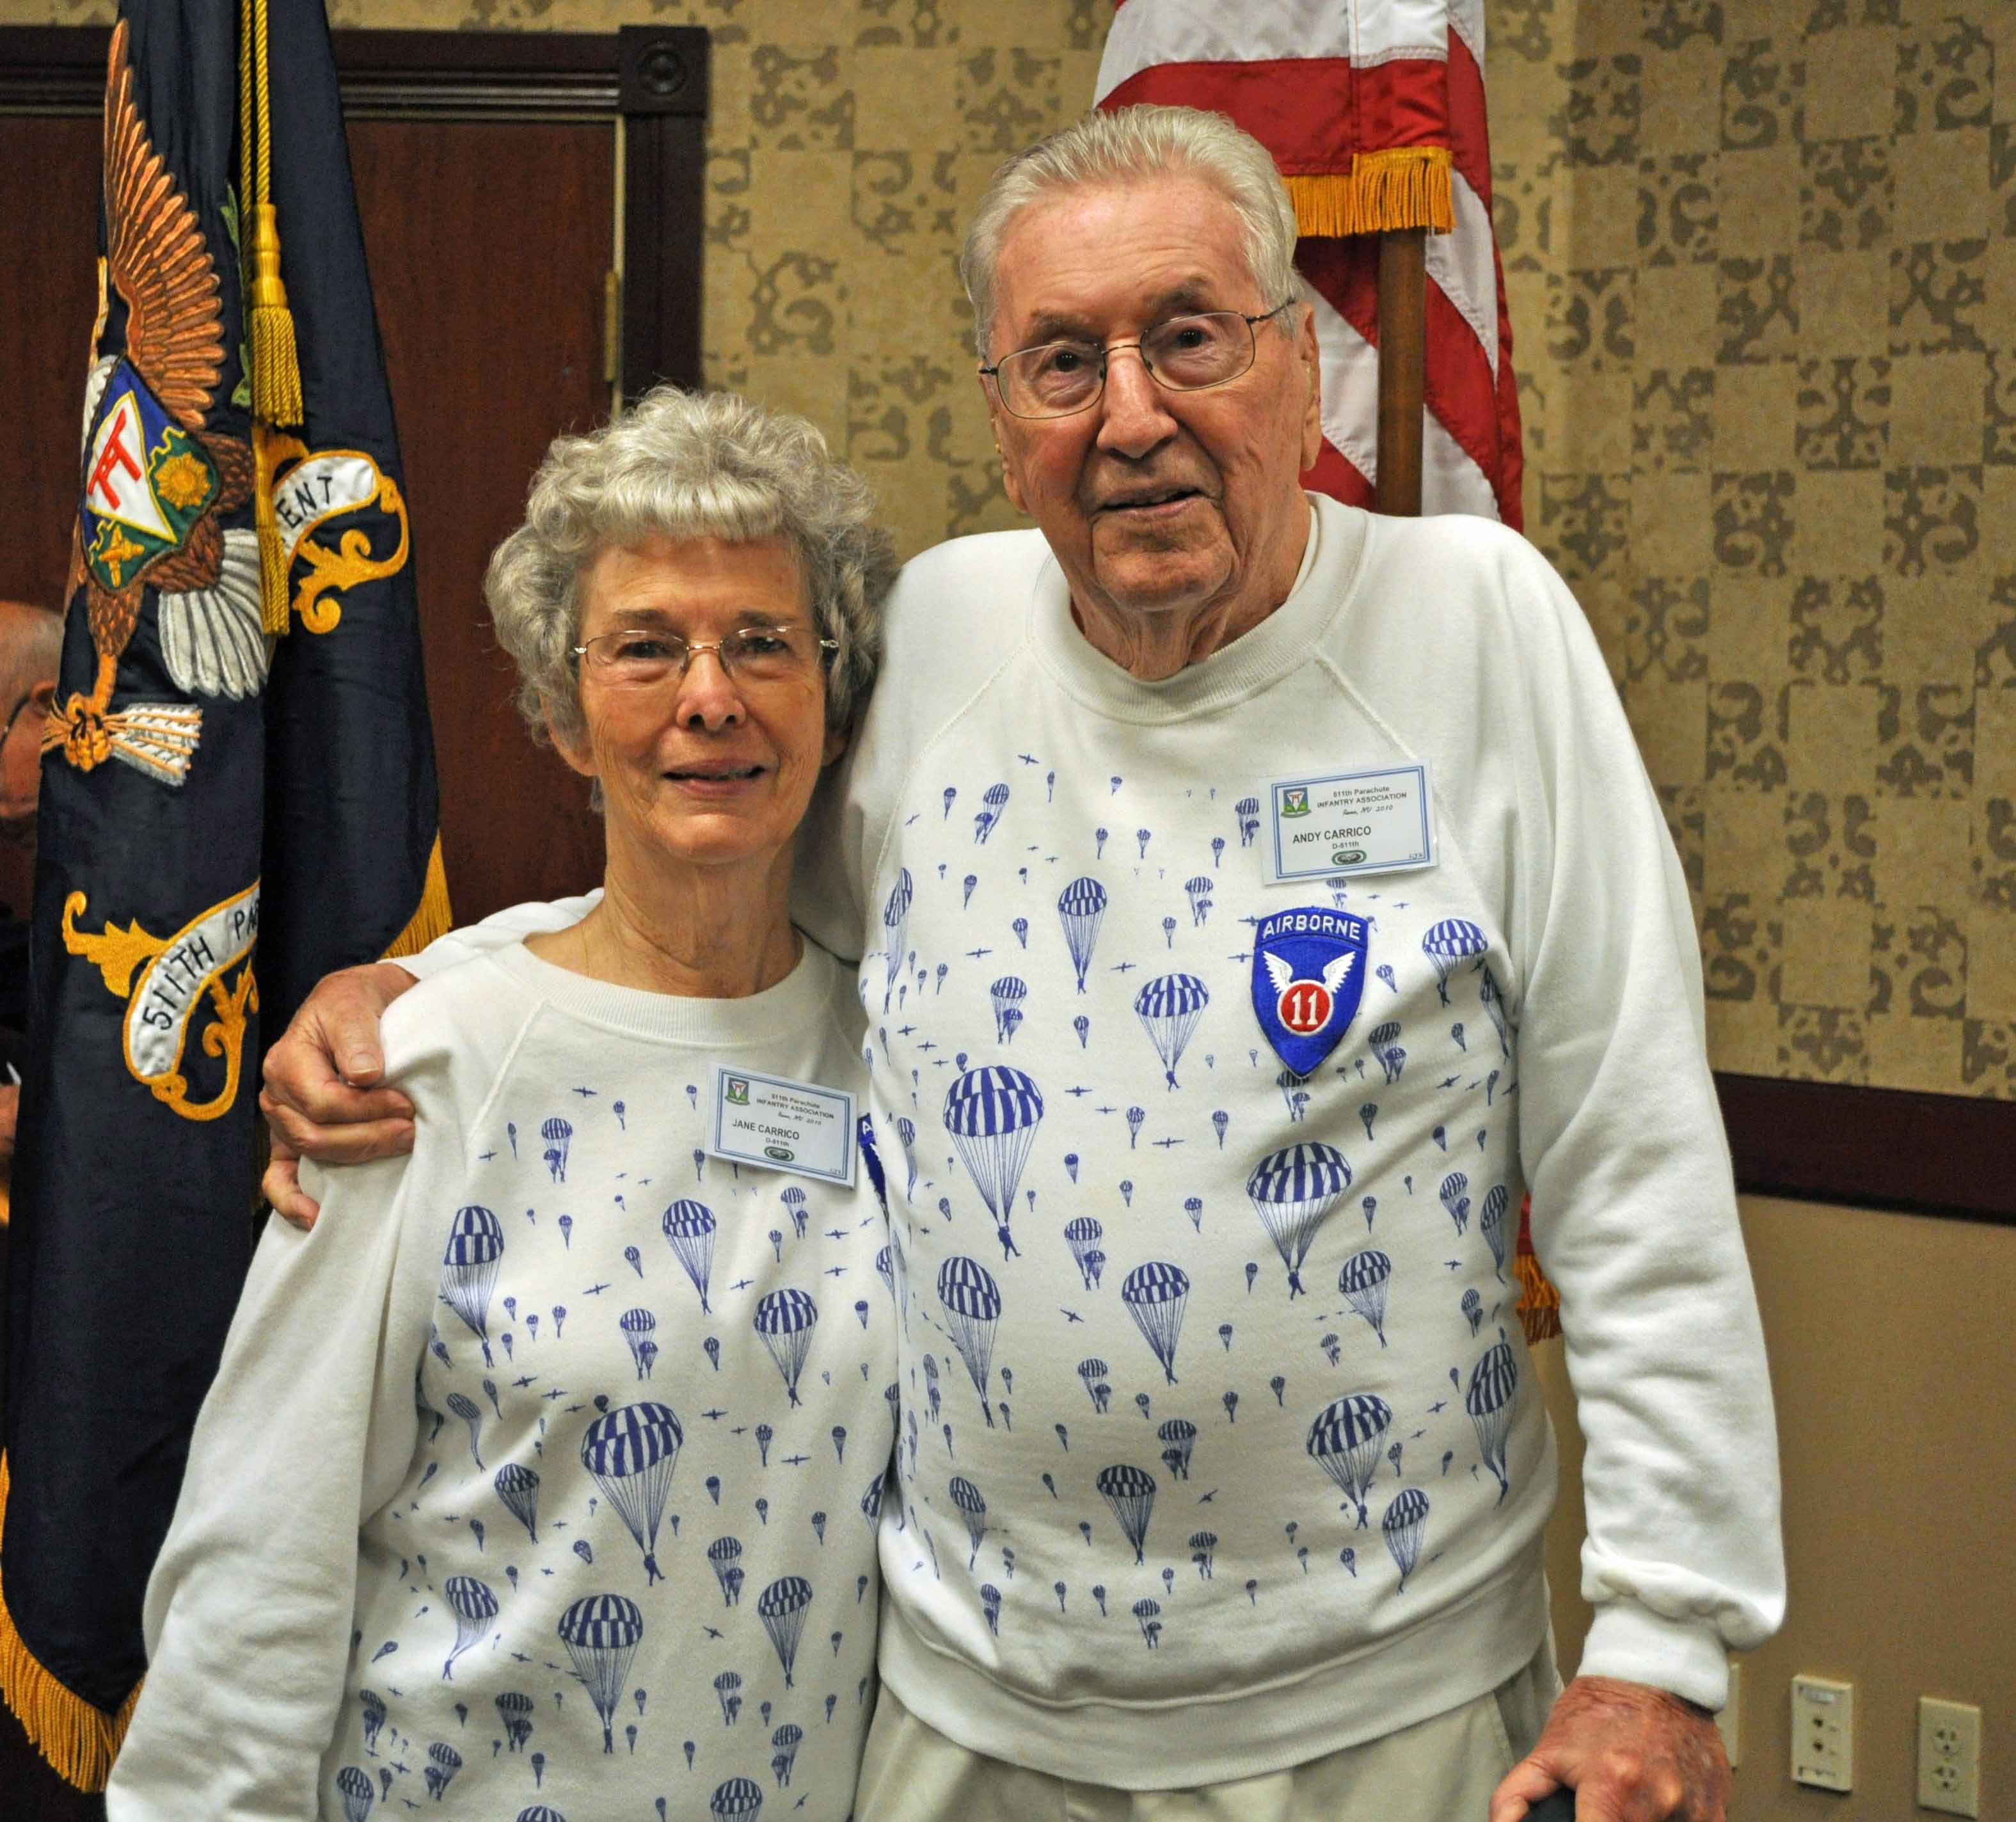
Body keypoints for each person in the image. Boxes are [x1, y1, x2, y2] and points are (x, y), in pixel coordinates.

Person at [263, 107, 1783, 1822]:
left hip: (1394, 1711)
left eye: (1189, 337)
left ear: (1298, 366)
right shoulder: (936, 641)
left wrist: (1661, 1646)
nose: (1132, 414)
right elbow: (713, 893)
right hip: (973, 1722)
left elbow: (1636, 1168)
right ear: (1003, 422)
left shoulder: (1480, 630)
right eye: (1063, 362)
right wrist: (428, 992)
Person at [108, 389, 900, 1821]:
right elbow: (261, 1552)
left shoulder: (899, 1049)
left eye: (763, 643)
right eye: (646, 647)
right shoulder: (423, 1063)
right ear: (563, 712)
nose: (709, 695)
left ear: (831, 698)